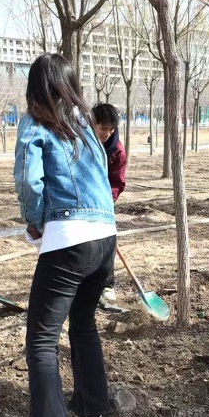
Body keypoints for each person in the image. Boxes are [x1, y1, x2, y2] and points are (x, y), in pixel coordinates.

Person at [8, 53, 117, 417]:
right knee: (83, 322)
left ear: (36, 87)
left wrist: (34, 222)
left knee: (40, 341)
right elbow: (103, 175)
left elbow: (28, 178)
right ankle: (93, 404)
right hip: (104, 238)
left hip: (69, 238)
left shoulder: (36, 122)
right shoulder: (85, 124)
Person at [91, 103, 127, 309]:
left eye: (111, 129)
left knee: (107, 242)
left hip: (103, 204)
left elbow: (117, 181)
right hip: (80, 203)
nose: (107, 133)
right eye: (103, 128)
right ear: (92, 123)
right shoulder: (80, 142)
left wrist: (107, 201)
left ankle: (107, 285)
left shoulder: (117, 151)